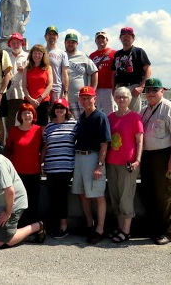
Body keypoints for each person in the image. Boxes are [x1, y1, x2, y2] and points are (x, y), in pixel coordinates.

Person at [139, 78, 171, 245]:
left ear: (162, 91)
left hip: (164, 155)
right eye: (148, 90)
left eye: (154, 90)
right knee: (149, 194)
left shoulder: (170, 109)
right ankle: (154, 228)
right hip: (148, 156)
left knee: (165, 195)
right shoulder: (144, 110)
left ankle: (167, 232)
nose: (150, 93)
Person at [71, 86, 111, 244]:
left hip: (93, 157)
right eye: (83, 98)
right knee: (82, 193)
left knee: (98, 195)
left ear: (95, 99)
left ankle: (100, 229)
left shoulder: (100, 117)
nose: (86, 100)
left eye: (88, 97)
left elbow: (104, 144)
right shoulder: (82, 117)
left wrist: (100, 165)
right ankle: (89, 224)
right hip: (79, 157)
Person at [106, 87, 143, 243]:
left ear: (129, 99)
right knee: (115, 197)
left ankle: (126, 231)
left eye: (124, 97)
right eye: (118, 97)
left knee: (126, 197)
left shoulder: (135, 117)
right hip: (111, 162)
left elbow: (140, 140)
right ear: (114, 98)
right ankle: (120, 228)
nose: (121, 100)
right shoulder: (110, 117)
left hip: (127, 163)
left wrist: (138, 160)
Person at [41, 98, 77, 238]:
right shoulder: (49, 127)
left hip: (66, 167)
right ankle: (53, 224)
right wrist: (41, 162)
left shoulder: (74, 124)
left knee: (62, 197)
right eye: (57, 107)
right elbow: (45, 146)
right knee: (52, 197)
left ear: (67, 110)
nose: (60, 110)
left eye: (62, 107)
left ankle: (63, 225)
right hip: (51, 167)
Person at [5, 103, 43, 227]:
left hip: (34, 172)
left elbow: (43, 148)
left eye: (30, 113)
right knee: (18, 201)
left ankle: (33, 227)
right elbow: (8, 150)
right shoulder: (14, 131)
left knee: (33, 202)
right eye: (24, 113)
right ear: (20, 116)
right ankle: (18, 226)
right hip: (17, 174)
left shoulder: (38, 130)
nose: (27, 115)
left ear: (33, 115)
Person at [111, 27, 151, 113]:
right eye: (123, 36)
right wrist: (113, 89)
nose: (126, 38)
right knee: (121, 113)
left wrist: (141, 87)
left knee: (133, 114)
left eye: (128, 36)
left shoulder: (138, 51)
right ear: (120, 38)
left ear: (133, 38)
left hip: (133, 87)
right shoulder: (117, 54)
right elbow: (114, 73)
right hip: (120, 87)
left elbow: (148, 70)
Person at [64, 32, 98, 119]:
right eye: (68, 42)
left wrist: (92, 91)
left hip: (81, 99)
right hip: (65, 98)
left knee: (82, 123)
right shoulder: (61, 56)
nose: (70, 44)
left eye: (73, 42)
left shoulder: (83, 56)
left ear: (77, 44)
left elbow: (94, 72)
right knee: (68, 125)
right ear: (65, 43)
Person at [22, 44, 53, 128]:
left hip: (43, 101)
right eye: (35, 53)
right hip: (29, 102)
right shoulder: (26, 69)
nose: (37, 56)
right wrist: (30, 99)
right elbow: (24, 86)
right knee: (29, 126)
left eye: (39, 53)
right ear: (31, 55)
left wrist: (40, 99)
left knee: (43, 126)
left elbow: (50, 85)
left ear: (43, 55)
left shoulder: (47, 68)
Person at [5, 33, 28, 133]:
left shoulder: (28, 56)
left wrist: (25, 70)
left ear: (22, 43)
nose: (15, 45)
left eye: (18, 43)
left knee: (23, 122)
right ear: (9, 45)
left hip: (23, 94)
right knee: (9, 124)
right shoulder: (6, 56)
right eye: (13, 43)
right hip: (8, 95)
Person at [90, 31, 117, 115]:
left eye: (103, 38)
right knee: (95, 113)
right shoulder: (92, 55)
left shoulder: (114, 53)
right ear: (95, 41)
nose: (100, 40)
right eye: (98, 38)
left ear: (107, 40)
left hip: (109, 89)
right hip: (96, 89)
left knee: (110, 113)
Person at [44, 26, 69, 103]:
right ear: (45, 37)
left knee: (56, 113)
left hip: (57, 89)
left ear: (57, 37)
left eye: (54, 34)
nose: (52, 36)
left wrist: (65, 92)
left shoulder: (62, 53)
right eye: (49, 34)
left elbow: (65, 74)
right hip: (43, 89)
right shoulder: (40, 52)